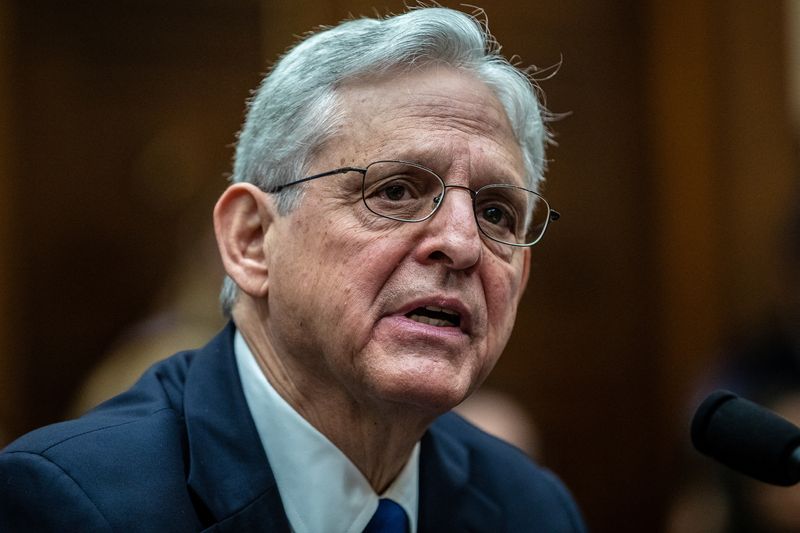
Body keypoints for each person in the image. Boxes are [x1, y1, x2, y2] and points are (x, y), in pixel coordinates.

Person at [0, 7, 586, 532]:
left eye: (495, 212)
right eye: (397, 190)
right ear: (253, 240)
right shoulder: (72, 504)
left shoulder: (531, 509)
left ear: (521, 276)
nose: (461, 244)